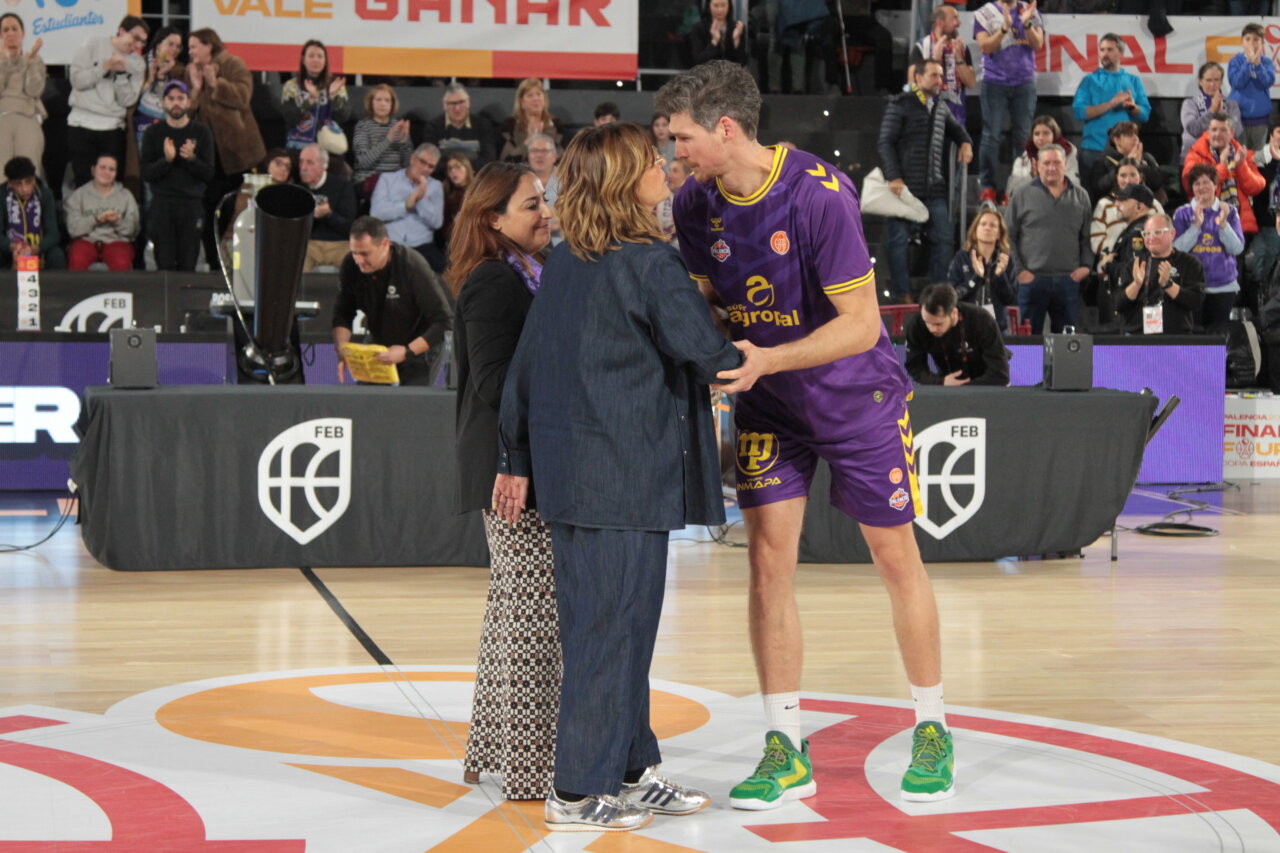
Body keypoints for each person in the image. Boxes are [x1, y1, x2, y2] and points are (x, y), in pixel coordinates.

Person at [657, 60, 954, 807]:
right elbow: (708, 303)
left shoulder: (820, 193)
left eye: (684, 138)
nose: (675, 152)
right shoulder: (694, 204)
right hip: (771, 404)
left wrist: (767, 358)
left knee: (896, 559)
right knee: (766, 566)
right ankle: (785, 745)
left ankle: (932, 726)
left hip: (856, 399)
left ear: (726, 129)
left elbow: (860, 325)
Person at [494, 121, 732, 832]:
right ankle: (577, 789)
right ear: (627, 181)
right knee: (610, 633)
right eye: (653, 163)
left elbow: (525, 368)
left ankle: (631, 769)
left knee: (613, 630)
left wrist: (516, 457)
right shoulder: (650, 264)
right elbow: (705, 351)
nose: (666, 169)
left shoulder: (567, 261)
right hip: (624, 475)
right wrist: (769, 347)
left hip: (576, 476)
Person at [446, 161, 557, 801]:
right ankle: (532, 768)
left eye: (544, 200)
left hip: (515, 464)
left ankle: (492, 749)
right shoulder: (494, 279)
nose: (546, 213)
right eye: (530, 205)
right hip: (508, 471)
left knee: (513, 609)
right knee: (535, 618)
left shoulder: (529, 272)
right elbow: (494, 382)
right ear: (493, 218)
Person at [878, 58, 974, 302]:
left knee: (944, 239)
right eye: (934, 75)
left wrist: (965, 143)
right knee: (897, 242)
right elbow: (885, 142)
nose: (939, 80)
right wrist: (894, 176)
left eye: (941, 75)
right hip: (903, 189)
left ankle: (935, 295)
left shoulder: (940, 106)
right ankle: (902, 295)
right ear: (918, 78)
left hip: (933, 189)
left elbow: (958, 131)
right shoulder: (900, 104)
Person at [332, 215, 453, 386]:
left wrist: (407, 352)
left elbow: (444, 322)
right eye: (354, 253)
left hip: (419, 343)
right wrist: (342, 351)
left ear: (385, 244)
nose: (359, 260)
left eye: (365, 254)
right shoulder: (351, 265)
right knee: (366, 397)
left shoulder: (412, 266)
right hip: (379, 341)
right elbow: (343, 313)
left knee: (410, 399)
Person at [186, 28, 266, 270]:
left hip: (237, 151)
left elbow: (243, 97)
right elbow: (188, 112)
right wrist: (196, 89)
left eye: (194, 46)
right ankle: (214, 261)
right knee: (210, 207)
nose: (190, 52)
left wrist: (216, 84)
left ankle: (230, 260)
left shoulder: (234, 64)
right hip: (208, 152)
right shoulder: (192, 72)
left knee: (232, 205)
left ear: (208, 45)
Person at [1005, 143, 1093, 334]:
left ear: (1065, 164)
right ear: (1037, 165)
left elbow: (1086, 237)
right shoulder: (1020, 194)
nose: (1052, 168)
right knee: (1029, 343)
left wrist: (1086, 266)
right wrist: (1020, 271)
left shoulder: (1081, 196)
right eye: (1046, 163)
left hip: (1068, 281)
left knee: (1068, 343)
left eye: (1057, 162)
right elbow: (1008, 236)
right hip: (1031, 280)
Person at [972, 0, 1043, 205]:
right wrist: (1004, 27)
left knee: (1023, 137)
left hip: (1024, 83)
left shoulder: (1029, 10)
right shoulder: (984, 13)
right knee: (991, 136)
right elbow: (985, 47)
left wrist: (1027, 23)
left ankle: (1016, 188)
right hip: (995, 82)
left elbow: (1037, 44)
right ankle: (987, 187)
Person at [140, 81, 214, 272]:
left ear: (188, 102)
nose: (176, 103)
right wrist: (166, 160)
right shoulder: (153, 133)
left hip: (191, 205)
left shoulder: (202, 132)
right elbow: (146, 173)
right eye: (171, 98)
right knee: (164, 265)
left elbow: (209, 173)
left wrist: (192, 159)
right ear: (163, 102)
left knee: (188, 265)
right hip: (162, 206)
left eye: (180, 98)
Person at [68, 15, 148, 189]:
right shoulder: (93, 44)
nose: (138, 45)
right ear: (122, 31)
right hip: (81, 122)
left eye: (143, 42)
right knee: (83, 181)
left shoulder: (137, 64)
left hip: (112, 127)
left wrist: (121, 75)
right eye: (136, 38)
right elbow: (77, 81)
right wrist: (105, 67)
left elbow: (128, 100)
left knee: (109, 183)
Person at [1174, 164, 1245, 328]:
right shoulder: (1182, 213)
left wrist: (1223, 224)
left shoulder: (1229, 211)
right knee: (1194, 335)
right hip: (1191, 286)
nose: (1201, 187)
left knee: (1219, 334)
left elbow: (1237, 248)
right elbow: (1176, 250)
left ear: (1215, 185)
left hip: (1223, 286)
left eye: (1206, 182)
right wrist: (1196, 227)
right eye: (1197, 183)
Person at [1072, 33, 1150, 178]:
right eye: (1102, 50)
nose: (1104, 54)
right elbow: (1079, 112)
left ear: (1121, 52)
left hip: (1124, 153)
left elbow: (1145, 115)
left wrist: (1133, 107)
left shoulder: (1134, 81)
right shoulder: (1089, 81)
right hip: (1093, 150)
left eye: (1110, 50)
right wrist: (1110, 104)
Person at [1116, 212, 1205, 335]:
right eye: (1147, 234)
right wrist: (1136, 284)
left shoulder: (1190, 263)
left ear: (1172, 234)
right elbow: (1118, 304)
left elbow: (1195, 301)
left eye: (1157, 232)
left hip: (1175, 337)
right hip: (1136, 337)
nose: (1151, 238)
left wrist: (1168, 285)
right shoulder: (1135, 264)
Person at [904, 282, 1010, 386]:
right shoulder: (917, 324)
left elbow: (1000, 375)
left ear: (954, 313)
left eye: (938, 324)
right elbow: (914, 366)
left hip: (986, 383)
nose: (932, 329)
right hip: (947, 383)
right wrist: (940, 382)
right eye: (927, 322)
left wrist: (961, 390)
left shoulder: (982, 319)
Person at [1182, 112, 1265, 236]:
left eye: (1223, 130)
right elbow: (1189, 186)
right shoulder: (1196, 154)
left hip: (1239, 226)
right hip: (1205, 225)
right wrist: (1222, 167)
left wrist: (1240, 165)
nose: (1217, 134)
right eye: (1214, 129)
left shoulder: (1242, 154)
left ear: (1232, 133)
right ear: (1208, 132)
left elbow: (1256, 187)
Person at [370, 142, 444, 272]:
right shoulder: (387, 179)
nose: (425, 168)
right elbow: (376, 213)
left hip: (422, 246)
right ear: (413, 159)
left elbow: (437, 222)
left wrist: (419, 200)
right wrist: (405, 206)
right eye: (423, 162)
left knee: (446, 273)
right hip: (391, 244)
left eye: (431, 166)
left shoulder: (435, 186)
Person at [1094, 183, 1157, 329]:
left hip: (1132, 309)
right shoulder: (1137, 229)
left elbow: (1134, 271)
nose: (1117, 204)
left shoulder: (1138, 233)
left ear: (1139, 206)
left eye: (1123, 200)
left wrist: (1108, 265)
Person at [64, 153, 139, 271]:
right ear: (93, 170)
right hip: (86, 240)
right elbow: (73, 230)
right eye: (102, 168)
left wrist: (117, 221)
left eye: (111, 169)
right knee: (77, 259)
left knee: (121, 262)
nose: (106, 172)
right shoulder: (79, 195)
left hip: (117, 240)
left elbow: (132, 230)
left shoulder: (126, 196)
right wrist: (96, 219)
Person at [947, 205, 1016, 330]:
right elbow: (953, 296)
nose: (987, 228)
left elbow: (1010, 299)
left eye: (993, 225)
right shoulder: (961, 257)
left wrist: (1000, 276)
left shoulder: (1006, 259)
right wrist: (976, 278)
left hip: (997, 327)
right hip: (967, 324)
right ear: (975, 230)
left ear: (999, 234)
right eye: (983, 224)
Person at [907, 5, 976, 126]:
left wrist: (959, 59)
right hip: (928, 117)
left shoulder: (962, 48)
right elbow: (912, 85)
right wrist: (935, 59)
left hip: (957, 118)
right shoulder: (922, 47)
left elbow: (971, 83)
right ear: (940, 22)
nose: (959, 23)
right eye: (954, 18)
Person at [298, 142, 357, 272]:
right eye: (301, 162)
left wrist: (329, 214)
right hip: (310, 245)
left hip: (339, 245)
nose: (303, 167)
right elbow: (296, 230)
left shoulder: (342, 186)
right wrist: (314, 217)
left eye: (310, 162)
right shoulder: (299, 190)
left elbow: (349, 227)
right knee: (297, 259)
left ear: (324, 165)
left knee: (354, 262)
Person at [280, 40, 349, 151]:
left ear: (325, 60)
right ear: (303, 60)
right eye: (311, 56)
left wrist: (333, 96)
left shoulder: (335, 84)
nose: (315, 60)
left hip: (329, 146)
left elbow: (344, 117)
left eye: (320, 56)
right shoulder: (291, 85)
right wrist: (310, 100)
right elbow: (290, 118)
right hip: (298, 145)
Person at [0, 14, 46, 174]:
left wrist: (31, 62)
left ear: (23, 33)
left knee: (28, 172)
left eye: (15, 29)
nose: (10, 33)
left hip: (27, 116)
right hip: (1, 117)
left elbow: (34, 90)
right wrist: (3, 62)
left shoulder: (35, 59)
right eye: (6, 30)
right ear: (1, 35)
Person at [1005, 115, 1078, 210]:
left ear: (1054, 134)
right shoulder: (1023, 159)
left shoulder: (1067, 155)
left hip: (1061, 205)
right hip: (1029, 206)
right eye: (1037, 134)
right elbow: (1011, 191)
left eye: (1046, 133)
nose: (1040, 138)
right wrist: (1032, 176)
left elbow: (1074, 186)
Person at [133, 26, 184, 159]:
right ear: (158, 44)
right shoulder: (140, 63)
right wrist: (150, 80)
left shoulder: (179, 70)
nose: (174, 49)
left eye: (178, 46)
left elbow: (172, 105)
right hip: (140, 127)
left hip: (166, 129)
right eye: (171, 44)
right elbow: (131, 100)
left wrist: (162, 76)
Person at [1, 155, 61, 269]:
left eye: (28, 182)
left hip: (39, 248)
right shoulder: (2, 195)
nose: (25, 189)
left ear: (34, 179)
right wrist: (13, 247)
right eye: (18, 184)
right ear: (10, 183)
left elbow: (53, 234)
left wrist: (34, 249)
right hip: (10, 249)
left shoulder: (45, 194)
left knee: (57, 255)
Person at [1085, 121, 1163, 205]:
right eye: (1130, 135)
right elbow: (1099, 188)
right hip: (1114, 205)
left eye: (1136, 134)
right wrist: (1125, 165)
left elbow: (1157, 182)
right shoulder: (1103, 161)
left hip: (1143, 204)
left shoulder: (1147, 158)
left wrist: (1139, 165)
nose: (1136, 138)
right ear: (1116, 139)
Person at [352, 83, 411, 193]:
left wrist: (404, 142)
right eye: (378, 99)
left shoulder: (399, 126)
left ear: (392, 104)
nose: (382, 104)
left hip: (395, 181)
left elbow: (407, 165)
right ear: (371, 103)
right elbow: (363, 163)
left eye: (387, 100)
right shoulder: (363, 126)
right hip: (369, 179)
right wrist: (388, 140)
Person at [423, 82, 497, 168]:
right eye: (452, 103)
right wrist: (454, 170)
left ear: (469, 102)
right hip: (444, 175)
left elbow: (489, 159)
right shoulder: (433, 126)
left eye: (461, 102)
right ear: (444, 105)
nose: (457, 108)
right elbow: (430, 160)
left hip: (475, 175)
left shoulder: (483, 125)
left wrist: (464, 171)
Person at [1181, 61, 1242, 164]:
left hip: (1224, 160)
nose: (1212, 84)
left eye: (1216, 80)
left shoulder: (1231, 105)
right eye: (1208, 80)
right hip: (1194, 159)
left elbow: (1237, 131)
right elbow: (1194, 130)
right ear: (1201, 82)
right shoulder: (1190, 104)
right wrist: (1212, 111)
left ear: (1221, 82)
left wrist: (1222, 115)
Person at [1228, 22, 1275, 152]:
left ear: (1262, 43)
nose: (1251, 43)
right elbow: (1237, 83)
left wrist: (1258, 66)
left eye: (1256, 39)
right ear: (1241, 42)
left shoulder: (1267, 62)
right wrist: (1248, 63)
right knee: (1238, 157)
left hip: (1260, 120)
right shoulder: (1235, 61)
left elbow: (1266, 83)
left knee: (1256, 158)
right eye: (1247, 39)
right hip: (1238, 119)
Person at [499, 78, 561, 163]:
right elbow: (506, 159)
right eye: (530, 95)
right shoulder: (510, 125)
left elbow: (562, 157)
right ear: (521, 102)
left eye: (539, 94)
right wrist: (529, 140)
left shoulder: (556, 124)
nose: (536, 99)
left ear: (544, 99)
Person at [690, 0, 748, 66]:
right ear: (709, 6)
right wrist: (714, 41)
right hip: (708, 71)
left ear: (729, 6)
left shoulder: (737, 27)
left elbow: (742, 61)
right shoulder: (699, 28)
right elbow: (698, 60)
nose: (720, 10)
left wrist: (736, 40)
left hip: (731, 71)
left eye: (723, 5)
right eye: (716, 5)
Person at [437, 152, 473, 252]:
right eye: (450, 169)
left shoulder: (479, 190)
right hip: (457, 242)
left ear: (467, 167)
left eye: (457, 166)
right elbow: (444, 228)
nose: (453, 171)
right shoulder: (447, 195)